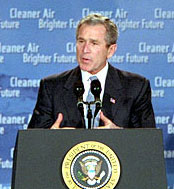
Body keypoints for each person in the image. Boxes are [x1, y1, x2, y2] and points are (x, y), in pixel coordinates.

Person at [28, 13, 156, 129]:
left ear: (110, 50)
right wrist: (51, 137)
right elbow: (31, 143)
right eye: (81, 41)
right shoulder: (51, 87)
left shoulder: (136, 87)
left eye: (94, 43)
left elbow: (147, 143)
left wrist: (119, 136)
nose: (85, 50)